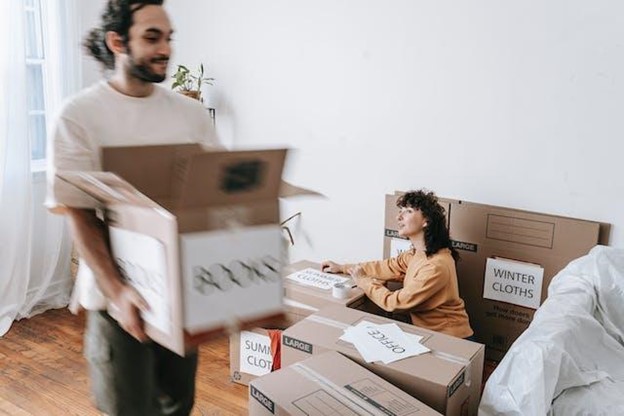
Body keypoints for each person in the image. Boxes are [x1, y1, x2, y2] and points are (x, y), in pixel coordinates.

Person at [45, 1, 219, 414]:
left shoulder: (192, 115)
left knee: (178, 403)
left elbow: (211, 200)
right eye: (152, 37)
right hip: (115, 300)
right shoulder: (79, 115)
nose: (165, 49)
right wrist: (119, 292)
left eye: (169, 38)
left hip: (178, 294)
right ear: (117, 41)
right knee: (128, 408)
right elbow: (80, 214)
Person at [322, 190, 474, 339]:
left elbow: (394, 303)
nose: (398, 217)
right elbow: (387, 267)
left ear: (426, 221)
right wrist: (343, 267)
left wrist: (363, 282)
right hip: (428, 334)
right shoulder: (417, 253)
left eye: (408, 211)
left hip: (450, 339)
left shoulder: (436, 266)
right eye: (400, 211)